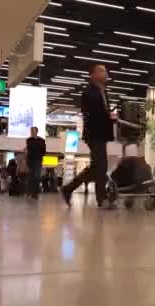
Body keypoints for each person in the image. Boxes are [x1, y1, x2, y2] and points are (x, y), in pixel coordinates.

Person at [62, 64, 116, 207]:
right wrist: (108, 117)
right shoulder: (89, 92)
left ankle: (68, 189)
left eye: (105, 70)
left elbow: (103, 112)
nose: (105, 73)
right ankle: (101, 199)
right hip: (94, 134)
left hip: (101, 134)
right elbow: (91, 114)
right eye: (102, 71)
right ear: (93, 75)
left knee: (96, 167)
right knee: (101, 166)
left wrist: (110, 117)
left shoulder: (103, 91)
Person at [26, 127, 46, 199]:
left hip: (38, 160)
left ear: (37, 131)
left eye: (34, 131)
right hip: (30, 160)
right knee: (30, 176)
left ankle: (35, 193)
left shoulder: (41, 141)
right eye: (31, 131)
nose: (32, 132)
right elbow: (28, 150)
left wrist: (40, 156)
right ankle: (29, 192)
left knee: (36, 176)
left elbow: (44, 151)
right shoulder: (29, 140)